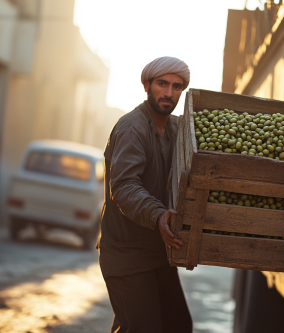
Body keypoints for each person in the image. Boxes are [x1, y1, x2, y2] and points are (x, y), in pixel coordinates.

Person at [98, 56, 192, 333]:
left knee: (178, 326)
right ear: (146, 85)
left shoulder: (177, 129)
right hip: (126, 255)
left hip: (159, 254)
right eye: (162, 84)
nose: (169, 93)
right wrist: (158, 214)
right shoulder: (132, 128)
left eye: (177, 87)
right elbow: (124, 186)